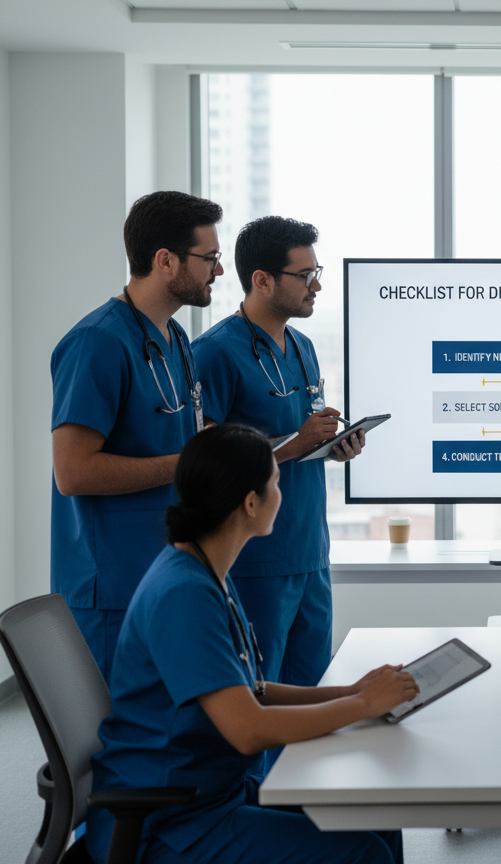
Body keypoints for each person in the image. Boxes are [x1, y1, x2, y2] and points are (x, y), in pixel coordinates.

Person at [88, 424, 416, 864]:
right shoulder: (183, 593)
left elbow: (251, 687)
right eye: (277, 483)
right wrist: (362, 707)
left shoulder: (205, 568)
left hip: (210, 793)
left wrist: (352, 691)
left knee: (371, 815)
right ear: (250, 502)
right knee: (363, 853)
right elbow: (248, 730)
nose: (282, 494)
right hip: (168, 820)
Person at [191, 216, 364, 773]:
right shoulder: (215, 353)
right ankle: (257, 824)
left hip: (309, 549)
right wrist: (293, 445)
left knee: (312, 694)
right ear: (262, 280)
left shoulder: (304, 346)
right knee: (262, 699)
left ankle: (306, 820)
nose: (317, 285)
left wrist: (331, 445)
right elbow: (209, 463)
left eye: (318, 272)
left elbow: (298, 435)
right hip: (257, 559)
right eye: (306, 274)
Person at [51, 191, 224, 680]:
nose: (219, 271)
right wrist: (186, 461)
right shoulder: (98, 342)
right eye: (209, 258)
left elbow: (173, 426)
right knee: (118, 744)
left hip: (164, 571)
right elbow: (73, 471)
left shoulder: (176, 339)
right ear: (165, 261)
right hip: (112, 587)